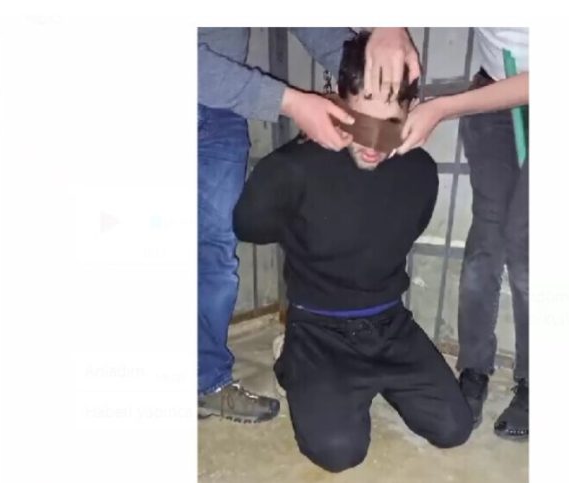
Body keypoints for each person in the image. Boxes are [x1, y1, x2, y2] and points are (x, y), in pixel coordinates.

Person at [232, 31, 473, 472]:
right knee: (339, 452)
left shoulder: (420, 171)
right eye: (361, 122)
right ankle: (292, 362)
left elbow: (409, 227)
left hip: (390, 325)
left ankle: (373, 382)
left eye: (389, 124)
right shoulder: (294, 168)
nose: (373, 144)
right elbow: (248, 226)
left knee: (454, 428)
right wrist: (291, 167)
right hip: (318, 328)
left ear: (410, 113)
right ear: (337, 102)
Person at [197, 27, 420, 423]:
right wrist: (291, 102)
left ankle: (206, 382)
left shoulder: (417, 173)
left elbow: (314, 25)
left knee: (216, 255)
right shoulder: (292, 167)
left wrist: (372, 79)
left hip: (222, 110)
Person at [394, 27, 529, 441]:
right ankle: (473, 368)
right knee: (486, 239)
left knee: (526, 242)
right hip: (491, 95)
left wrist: (441, 108)